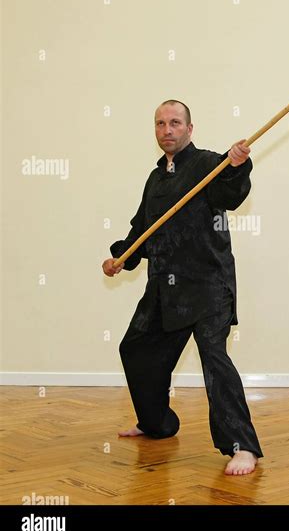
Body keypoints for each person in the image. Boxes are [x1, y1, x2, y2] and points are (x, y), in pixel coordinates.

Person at [102, 100, 263, 475]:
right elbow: (143, 229)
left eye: (175, 123)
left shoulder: (210, 164)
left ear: (190, 129)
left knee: (215, 361)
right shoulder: (156, 178)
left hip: (208, 285)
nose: (167, 129)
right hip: (165, 288)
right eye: (160, 123)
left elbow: (230, 194)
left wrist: (237, 166)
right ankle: (157, 423)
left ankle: (243, 448)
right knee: (136, 349)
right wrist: (122, 256)